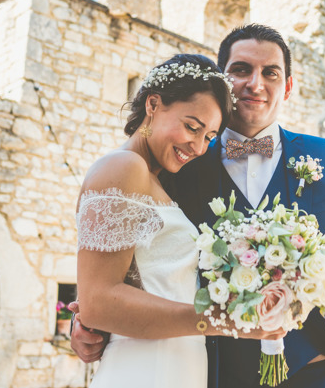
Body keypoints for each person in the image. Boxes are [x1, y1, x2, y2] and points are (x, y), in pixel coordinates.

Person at [73, 26, 325, 388]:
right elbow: (118, 269)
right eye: (242, 69)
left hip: (322, 375)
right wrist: (88, 322)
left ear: (287, 87)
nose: (256, 84)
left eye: (270, 73)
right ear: (223, 82)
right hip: (213, 375)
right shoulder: (179, 163)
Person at [74, 53, 286, 388]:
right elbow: (97, 302)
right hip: (144, 369)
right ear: (153, 105)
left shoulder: (157, 181)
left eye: (209, 137)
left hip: (179, 368)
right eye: (192, 127)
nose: (199, 147)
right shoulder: (123, 167)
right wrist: (225, 321)